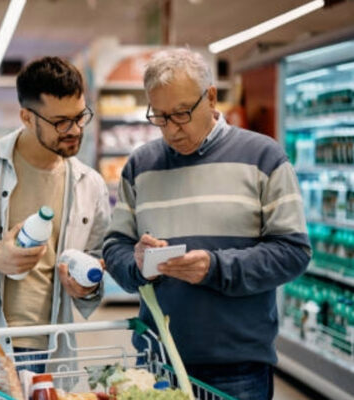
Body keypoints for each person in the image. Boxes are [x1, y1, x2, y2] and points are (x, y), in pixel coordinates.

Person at [102, 48, 310, 400]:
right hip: (156, 363)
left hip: (236, 368)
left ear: (210, 97)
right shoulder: (140, 165)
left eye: (181, 114)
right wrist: (136, 264)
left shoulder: (264, 157)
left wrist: (214, 268)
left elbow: (293, 252)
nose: (171, 129)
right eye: (161, 117)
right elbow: (114, 246)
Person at [0, 56, 111, 375]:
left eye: (80, 117)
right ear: (27, 117)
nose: (75, 130)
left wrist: (87, 285)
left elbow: (96, 259)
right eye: (61, 122)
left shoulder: (89, 184)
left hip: (52, 349)